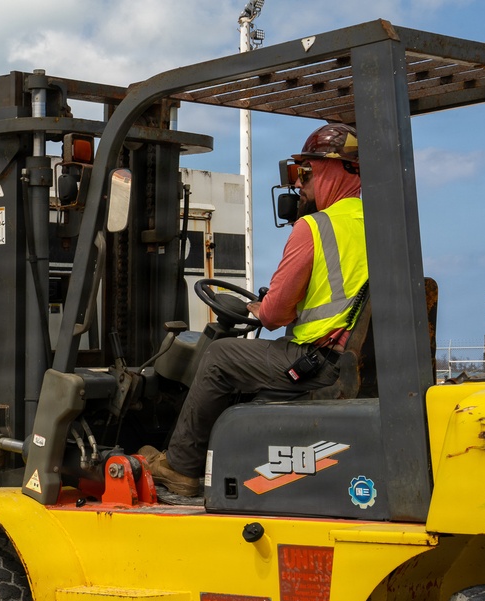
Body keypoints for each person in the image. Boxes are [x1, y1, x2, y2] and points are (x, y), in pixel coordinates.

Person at [140, 123, 368, 497]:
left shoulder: (315, 228)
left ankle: (181, 465)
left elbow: (274, 315)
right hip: (346, 356)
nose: (300, 185)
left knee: (219, 355)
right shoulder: (382, 225)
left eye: (306, 173)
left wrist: (259, 307)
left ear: (338, 169)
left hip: (315, 362)